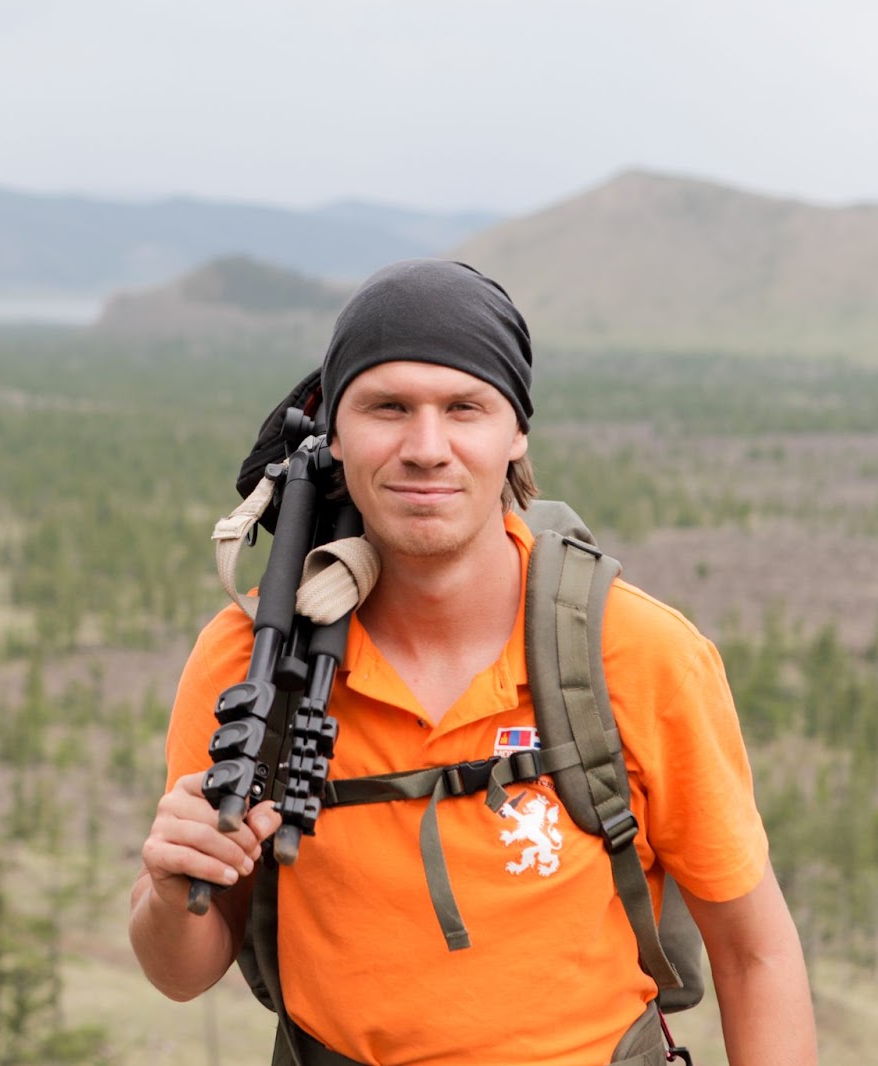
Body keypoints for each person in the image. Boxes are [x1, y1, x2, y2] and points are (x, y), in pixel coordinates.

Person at [129, 259, 816, 1066]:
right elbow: (180, 973)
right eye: (388, 407)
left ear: (516, 431)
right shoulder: (255, 663)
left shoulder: (634, 653)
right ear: (334, 431)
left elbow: (755, 954)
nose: (427, 447)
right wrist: (175, 886)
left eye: (464, 408)